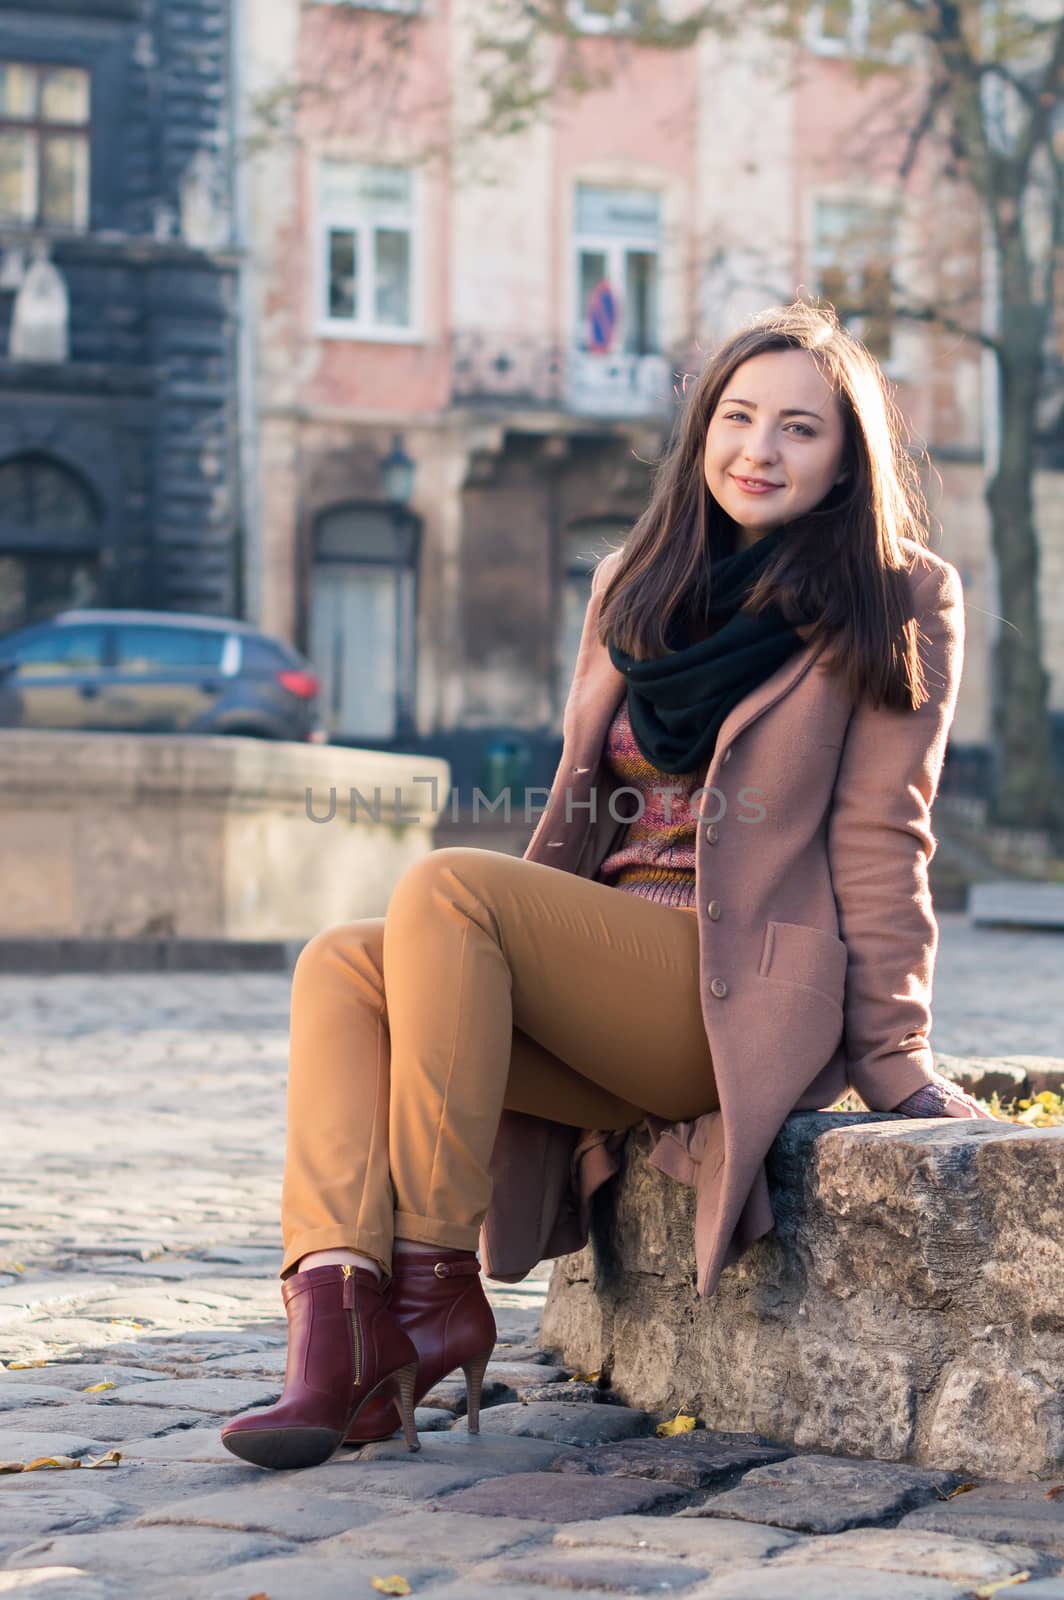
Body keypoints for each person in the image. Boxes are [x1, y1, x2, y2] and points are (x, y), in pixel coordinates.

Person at [221, 300, 995, 1471]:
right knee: (341, 962)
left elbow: (886, 833)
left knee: (448, 887)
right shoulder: (633, 584)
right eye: (736, 418)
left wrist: (895, 1058)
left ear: (843, 460)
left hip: (729, 994)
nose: (758, 450)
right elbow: (580, 808)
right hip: (600, 974)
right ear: (698, 435)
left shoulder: (895, 597)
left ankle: (432, 1290)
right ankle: (335, 1334)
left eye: (798, 429)